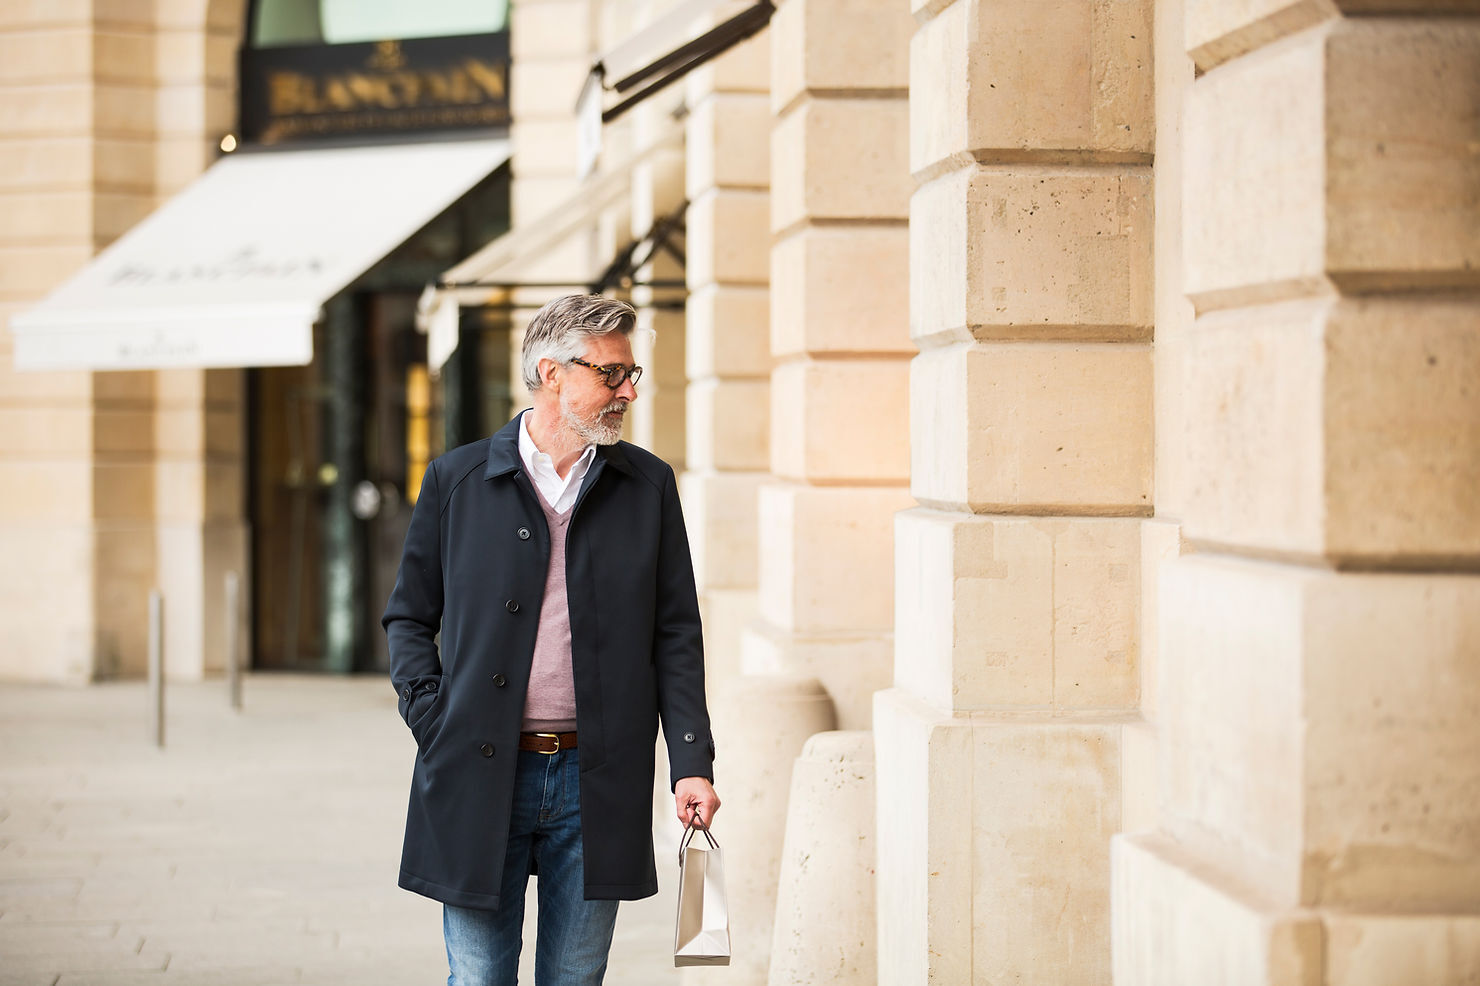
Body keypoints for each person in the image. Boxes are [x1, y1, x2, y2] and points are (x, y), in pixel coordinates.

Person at [383, 294, 720, 986]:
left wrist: (691, 760)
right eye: (612, 374)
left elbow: (676, 633)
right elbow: (410, 616)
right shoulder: (457, 480)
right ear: (552, 372)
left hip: (597, 777)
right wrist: (431, 717)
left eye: (633, 375)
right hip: (479, 769)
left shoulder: (647, 485)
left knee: (576, 977)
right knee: (479, 977)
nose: (627, 391)